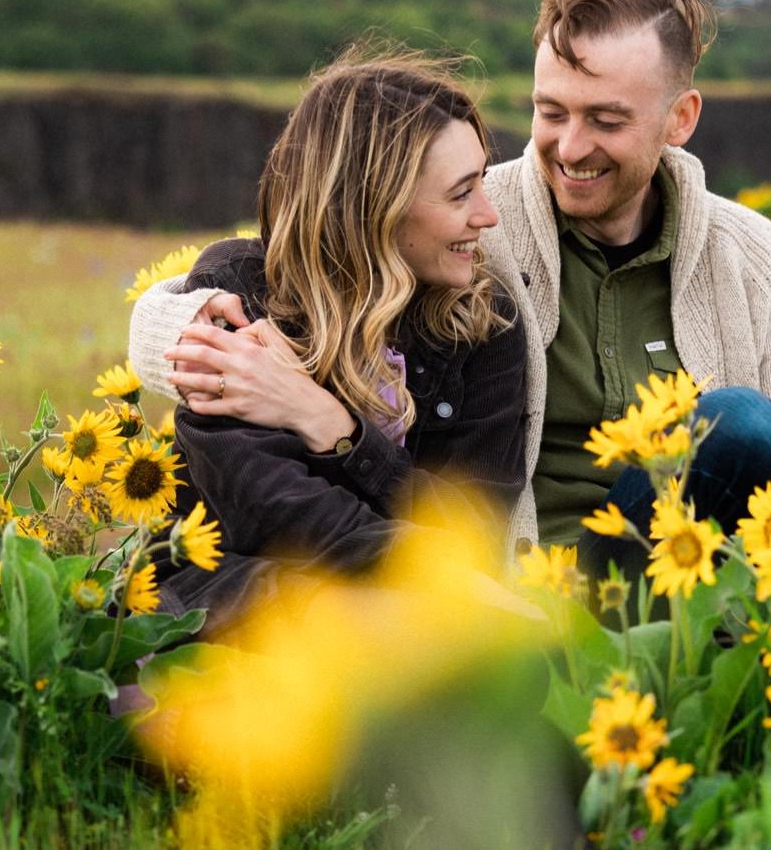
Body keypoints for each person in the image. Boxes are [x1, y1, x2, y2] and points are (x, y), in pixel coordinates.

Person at [132, 0, 771, 583]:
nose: (570, 145)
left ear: (679, 118)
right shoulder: (464, 223)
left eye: (606, 119)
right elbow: (307, 258)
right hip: (540, 582)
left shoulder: (746, 252)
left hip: (693, 552)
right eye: (550, 111)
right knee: (749, 426)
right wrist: (187, 329)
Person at [144, 52, 529, 635]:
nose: (489, 215)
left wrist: (333, 426)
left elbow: (472, 528)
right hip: (227, 595)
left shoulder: (485, 318)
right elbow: (266, 509)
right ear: (376, 207)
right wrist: (435, 582)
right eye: (460, 194)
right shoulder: (240, 291)